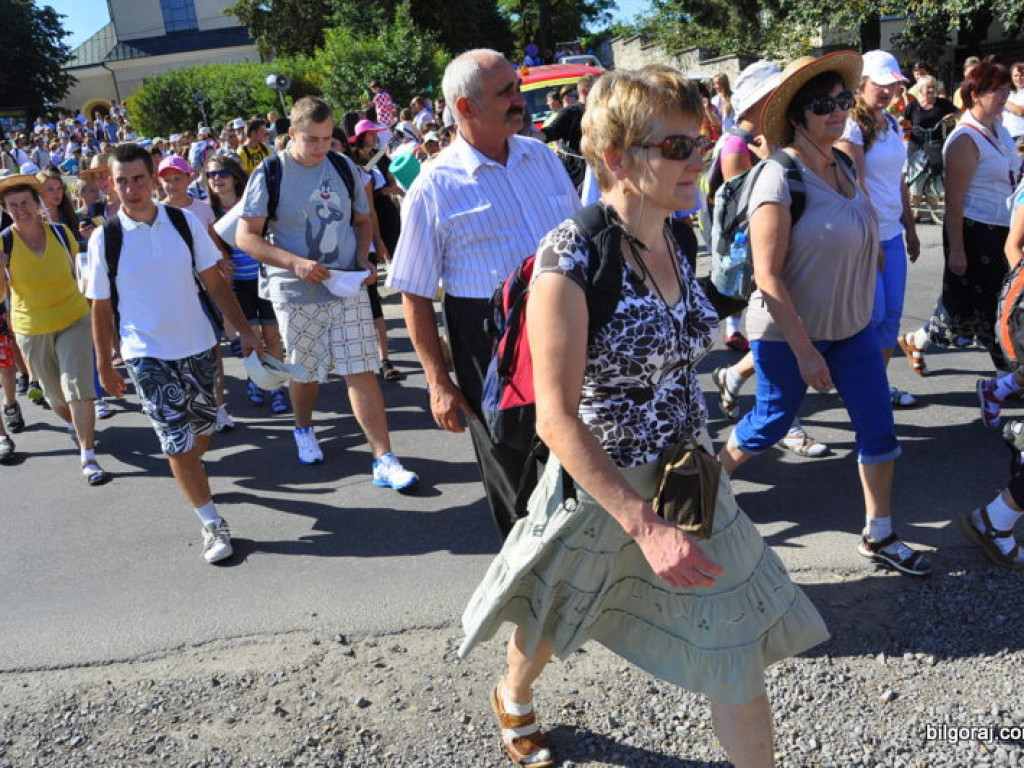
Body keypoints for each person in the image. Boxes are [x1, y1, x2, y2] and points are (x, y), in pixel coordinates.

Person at [460, 67, 829, 768]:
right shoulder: (567, 260)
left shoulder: (676, 236)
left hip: (689, 475)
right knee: (554, 612)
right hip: (603, 484)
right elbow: (557, 421)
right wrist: (644, 525)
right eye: (674, 147)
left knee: (733, 644)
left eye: (700, 142)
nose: (697, 160)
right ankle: (513, 694)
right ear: (616, 159)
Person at [719, 51, 933, 578]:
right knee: (769, 423)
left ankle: (879, 533)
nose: (837, 111)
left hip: (852, 327)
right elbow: (767, 278)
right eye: (822, 104)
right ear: (797, 116)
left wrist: (874, 250)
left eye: (841, 99)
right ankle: (707, 490)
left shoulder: (840, 162)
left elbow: (859, 218)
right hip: (789, 334)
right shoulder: (777, 178)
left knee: (879, 429)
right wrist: (806, 350)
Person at [388, 49, 581, 538]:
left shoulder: (542, 158)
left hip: (569, 326)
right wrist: (439, 382)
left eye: (517, 87)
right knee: (516, 474)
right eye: (506, 92)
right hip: (491, 344)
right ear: (466, 107)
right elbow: (413, 294)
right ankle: (531, 595)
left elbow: (582, 241)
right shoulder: (433, 186)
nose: (520, 99)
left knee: (583, 463)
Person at [83, 143, 260, 564]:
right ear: (111, 184)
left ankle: (191, 469)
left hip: (198, 345)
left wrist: (246, 330)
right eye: (122, 181)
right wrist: (106, 362)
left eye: (138, 179)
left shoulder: (183, 223)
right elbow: (101, 307)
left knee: (202, 431)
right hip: (146, 354)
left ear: (152, 179)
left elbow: (215, 282)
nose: (131, 188)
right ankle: (212, 522)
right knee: (176, 443)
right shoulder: (105, 239)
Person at [235, 97, 418, 487]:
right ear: (291, 134)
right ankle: (303, 428)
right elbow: (246, 237)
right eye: (311, 140)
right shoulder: (271, 172)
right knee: (307, 372)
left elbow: (362, 219)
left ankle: (383, 458)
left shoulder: (342, 165)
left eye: (326, 138)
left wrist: (364, 260)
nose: (320, 147)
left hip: (345, 285)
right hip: (295, 291)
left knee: (360, 369)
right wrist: (295, 263)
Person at [706, 61, 831, 458]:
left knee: (784, 340)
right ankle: (787, 424)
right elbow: (748, 209)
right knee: (781, 341)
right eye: (775, 94)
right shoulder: (736, 145)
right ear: (760, 100)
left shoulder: (764, 139)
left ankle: (734, 377)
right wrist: (770, 160)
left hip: (786, 255)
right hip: (757, 266)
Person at [900, 59, 1021, 381]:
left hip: (1002, 227)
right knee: (994, 303)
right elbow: (953, 201)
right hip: (974, 230)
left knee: (963, 306)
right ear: (975, 94)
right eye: (996, 90)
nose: (1004, 95)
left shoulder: (1000, 128)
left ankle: (916, 340)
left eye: (1007, 88)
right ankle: (1009, 374)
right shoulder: (965, 139)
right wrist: (956, 249)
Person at [0, 173, 111, 484]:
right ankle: (76, 424)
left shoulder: (62, 234)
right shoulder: (3, 242)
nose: (20, 209)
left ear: (38, 205)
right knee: (54, 398)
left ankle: (88, 457)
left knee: (77, 386)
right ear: (7, 210)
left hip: (73, 318)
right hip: (31, 327)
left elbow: (83, 271)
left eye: (25, 203)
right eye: (13, 205)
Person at [836, 50, 922, 409]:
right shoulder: (850, 126)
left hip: (893, 235)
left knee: (891, 318)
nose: (888, 91)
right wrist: (871, 238)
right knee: (871, 319)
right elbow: (857, 186)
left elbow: (899, 180)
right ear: (863, 84)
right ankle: (862, 389)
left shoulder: (892, 124)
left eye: (893, 85)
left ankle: (877, 386)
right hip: (865, 236)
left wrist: (911, 226)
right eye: (881, 84)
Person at [206, 154, 289, 414]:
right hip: (238, 285)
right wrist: (222, 262)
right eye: (210, 175)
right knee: (249, 339)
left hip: (265, 278)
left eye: (221, 173)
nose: (216, 179)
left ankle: (275, 385)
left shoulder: (252, 202)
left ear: (234, 177)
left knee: (272, 336)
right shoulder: (209, 211)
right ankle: (256, 380)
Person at [901, 74, 958, 216]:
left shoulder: (942, 103)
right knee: (916, 177)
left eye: (933, 87)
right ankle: (916, 210)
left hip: (936, 142)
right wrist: (898, 124)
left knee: (937, 171)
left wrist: (950, 117)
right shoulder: (913, 105)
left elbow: (958, 112)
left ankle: (937, 202)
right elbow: (903, 118)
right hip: (917, 144)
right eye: (928, 87)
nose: (931, 90)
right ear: (920, 89)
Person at [1002, 61, 1024, 145]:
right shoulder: (1009, 94)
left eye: (1022, 75)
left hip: (1021, 136)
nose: (1018, 78)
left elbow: (1020, 112)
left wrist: (1003, 101)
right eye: (1015, 75)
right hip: (1006, 137)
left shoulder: (1004, 98)